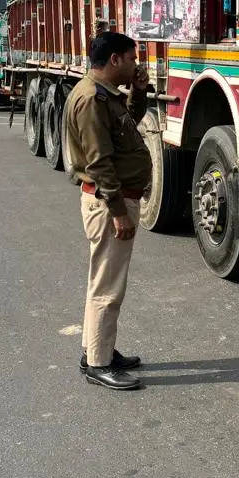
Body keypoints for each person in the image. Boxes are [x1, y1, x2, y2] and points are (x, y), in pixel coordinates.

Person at [63, 31, 152, 391]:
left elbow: (127, 128)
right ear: (114, 59)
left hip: (110, 200)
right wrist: (119, 212)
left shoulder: (105, 96)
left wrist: (140, 92)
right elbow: (99, 162)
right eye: (132, 58)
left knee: (101, 281)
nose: (136, 64)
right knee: (107, 287)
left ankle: (97, 350)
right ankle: (99, 364)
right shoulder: (91, 100)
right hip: (107, 203)